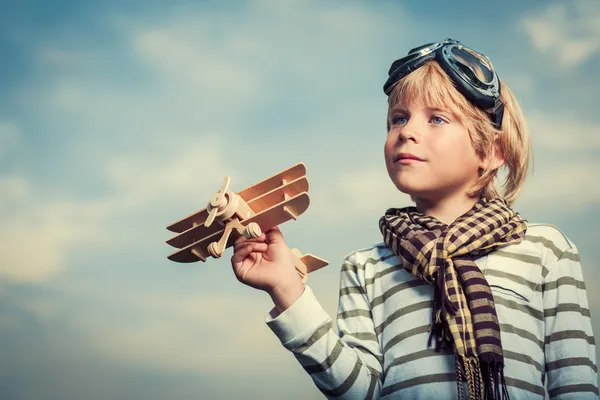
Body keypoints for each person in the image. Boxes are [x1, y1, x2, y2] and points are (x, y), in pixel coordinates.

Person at [230, 39, 598, 399]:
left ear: (492, 151)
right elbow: (361, 391)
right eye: (398, 119)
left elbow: (576, 383)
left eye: (437, 118)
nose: (407, 131)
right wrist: (286, 291)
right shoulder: (367, 267)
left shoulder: (546, 250)